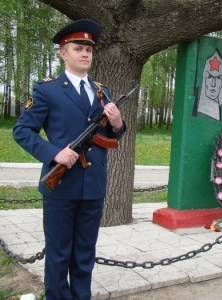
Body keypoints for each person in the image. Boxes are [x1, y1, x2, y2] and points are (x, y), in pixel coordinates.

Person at [13, 19, 126, 299]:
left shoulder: (102, 92)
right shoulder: (47, 89)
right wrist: (55, 153)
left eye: (89, 49)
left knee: (85, 253)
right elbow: (22, 131)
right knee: (59, 253)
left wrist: (118, 122)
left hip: (94, 185)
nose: (85, 53)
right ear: (64, 53)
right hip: (61, 185)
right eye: (78, 48)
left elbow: (112, 136)